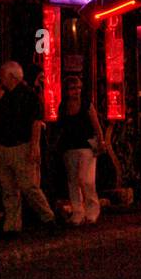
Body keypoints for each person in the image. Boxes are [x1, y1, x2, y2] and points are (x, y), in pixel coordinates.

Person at [0, 61, 56, 235]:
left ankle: (47, 217)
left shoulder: (28, 96)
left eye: (3, 76)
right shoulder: (3, 96)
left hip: (21, 145)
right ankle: (12, 224)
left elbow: (35, 121)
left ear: (12, 77)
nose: (0, 80)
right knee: (8, 188)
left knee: (28, 185)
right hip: (4, 145)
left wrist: (34, 145)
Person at [56, 74, 106, 225]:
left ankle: (92, 209)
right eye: (73, 88)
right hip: (69, 146)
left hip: (86, 145)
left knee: (86, 179)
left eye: (78, 88)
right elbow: (61, 127)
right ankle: (77, 211)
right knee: (73, 180)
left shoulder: (86, 105)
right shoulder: (63, 106)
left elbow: (95, 123)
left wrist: (101, 140)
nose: (76, 91)